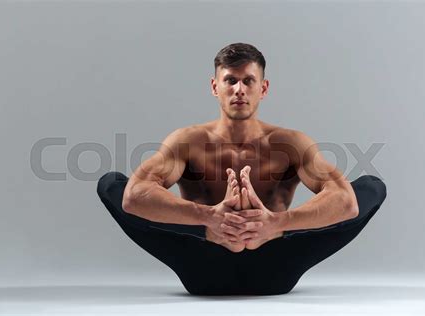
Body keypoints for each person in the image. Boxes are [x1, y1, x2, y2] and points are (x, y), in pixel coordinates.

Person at [96, 42, 387, 296]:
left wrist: (275, 222)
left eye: (248, 81)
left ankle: (265, 229)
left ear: (263, 87)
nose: (239, 90)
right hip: (202, 263)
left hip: (276, 264)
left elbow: (346, 202)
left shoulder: (290, 143)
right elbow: (133, 197)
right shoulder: (188, 141)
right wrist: (208, 218)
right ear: (215, 87)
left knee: (370, 186)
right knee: (113, 183)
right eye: (230, 80)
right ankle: (212, 229)